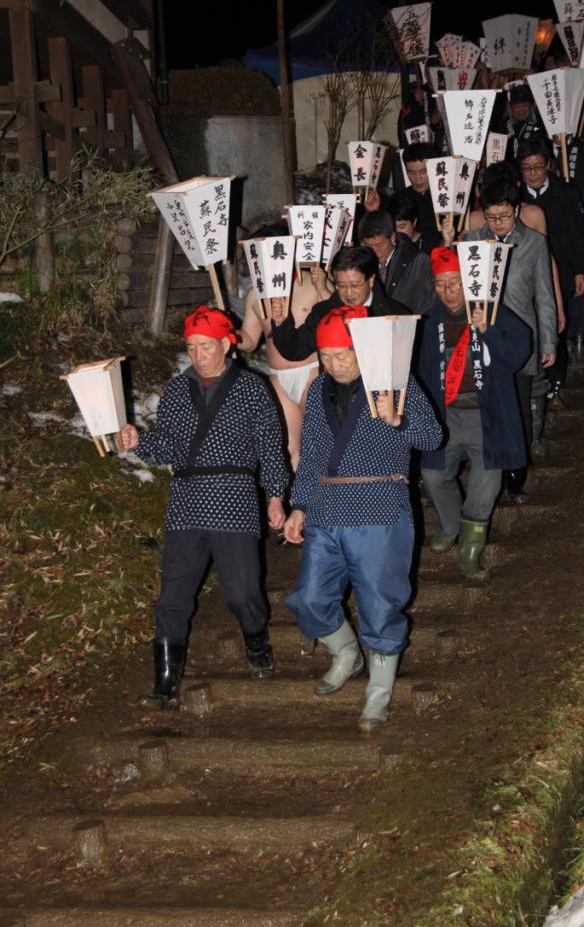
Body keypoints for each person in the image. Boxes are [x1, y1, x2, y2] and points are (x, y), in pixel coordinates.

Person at [117, 305, 289, 710]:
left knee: (244, 589)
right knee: (174, 592)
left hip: (235, 495)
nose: (198, 355)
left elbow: (269, 445)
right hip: (188, 498)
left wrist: (276, 493)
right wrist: (138, 440)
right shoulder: (177, 391)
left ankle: (256, 640)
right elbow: (168, 448)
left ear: (227, 344)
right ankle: (165, 683)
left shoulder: (251, 388)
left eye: (205, 346)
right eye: (192, 347)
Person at [283, 306, 442, 730]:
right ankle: (346, 652)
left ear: (362, 350)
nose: (334, 365)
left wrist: (399, 419)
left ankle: (378, 693)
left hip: (380, 507)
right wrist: (299, 504)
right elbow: (313, 451)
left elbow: (431, 436)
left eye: (343, 356)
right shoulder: (318, 391)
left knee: (379, 602)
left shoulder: (394, 383)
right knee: (309, 598)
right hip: (327, 508)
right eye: (327, 356)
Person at [418, 248, 531, 572]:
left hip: (486, 415)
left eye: (454, 282)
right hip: (447, 415)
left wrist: (488, 330)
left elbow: (517, 355)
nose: (447, 291)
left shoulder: (492, 312)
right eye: (440, 284)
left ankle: (471, 547)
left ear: (468, 282)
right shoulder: (429, 320)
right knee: (433, 474)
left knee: (487, 482)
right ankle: (452, 525)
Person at [462, 177, 557, 501]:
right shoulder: (473, 241)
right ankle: (492, 474)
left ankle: (516, 473)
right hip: (483, 338)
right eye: (491, 217)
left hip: (519, 337)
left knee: (518, 407)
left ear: (517, 210)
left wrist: (549, 343)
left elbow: (544, 296)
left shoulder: (533, 243)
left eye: (504, 216)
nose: (498, 223)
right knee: (489, 406)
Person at [238, 266, 331, 469]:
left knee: (317, 440)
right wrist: (228, 334)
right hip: (279, 378)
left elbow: (334, 313)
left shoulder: (312, 282)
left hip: (312, 370)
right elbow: (250, 340)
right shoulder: (256, 294)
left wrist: (323, 287)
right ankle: (295, 498)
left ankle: (322, 495)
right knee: (289, 446)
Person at [517, 137, 584, 362]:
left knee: (573, 305)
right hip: (533, 270)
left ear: (548, 165)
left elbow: (580, 235)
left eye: (537, 167)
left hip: (565, 263)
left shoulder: (566, 193)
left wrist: (580, 269)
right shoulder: (515, 199)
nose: (533, 173)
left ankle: (577, 343)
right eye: (527, 168)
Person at [269, 246, 407, 361]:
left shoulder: (395, 314)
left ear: (371, 280)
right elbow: (296, 350)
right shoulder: (324, 312)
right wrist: (282, 323)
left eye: (355, 285)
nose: (348, 293)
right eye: (341, 285)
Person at [365, 142, 442, 252]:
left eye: (423, 171)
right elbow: (384, 234)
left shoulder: (446, 196)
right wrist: (374, 211)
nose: (417, 178)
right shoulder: (400, 198)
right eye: (411, 172)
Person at [358, 209, 435, 314]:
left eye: (379, 245)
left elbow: (426, 307)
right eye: (368, 246)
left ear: (393, 237)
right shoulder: (361, 263)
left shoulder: (418, 262)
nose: (374, 251)